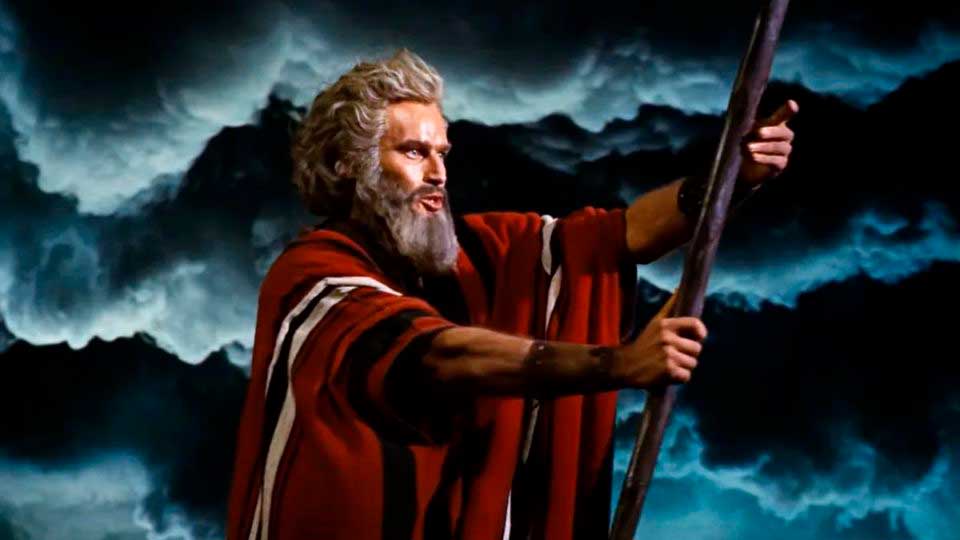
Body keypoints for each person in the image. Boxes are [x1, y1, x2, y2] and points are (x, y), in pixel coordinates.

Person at [226, 49, 796, 540]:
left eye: (443, 153)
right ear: (347, 165)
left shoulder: (477, 253)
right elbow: (439, 357)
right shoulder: (312, 277)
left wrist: (729, 178)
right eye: (414, 152)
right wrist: (618, 364)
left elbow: (619, 237)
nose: (438, 173)